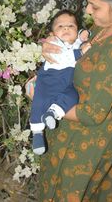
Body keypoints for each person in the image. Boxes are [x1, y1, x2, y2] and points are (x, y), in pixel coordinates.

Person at [27, 0, 112, 201]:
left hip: (87, 144)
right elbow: (73, 52)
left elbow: (91, 113)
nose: (88, 11)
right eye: (88, 3)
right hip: (67, 132)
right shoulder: (101, 28)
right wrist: (52, 45)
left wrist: (40, 97)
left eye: (95, 6)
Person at [28, 9, 91, 155]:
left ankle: (53, 113)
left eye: (71, 26)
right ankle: (37, 135)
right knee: (40, 101)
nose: (66, 29)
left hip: (69, 82)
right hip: (50, 79)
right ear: (52, 32)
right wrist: (80, 53)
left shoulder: (76, 43)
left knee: (72, 96)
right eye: (60, 27)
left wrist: (84, 35)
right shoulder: (53, 43)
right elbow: (63, 57)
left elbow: (84, 37)